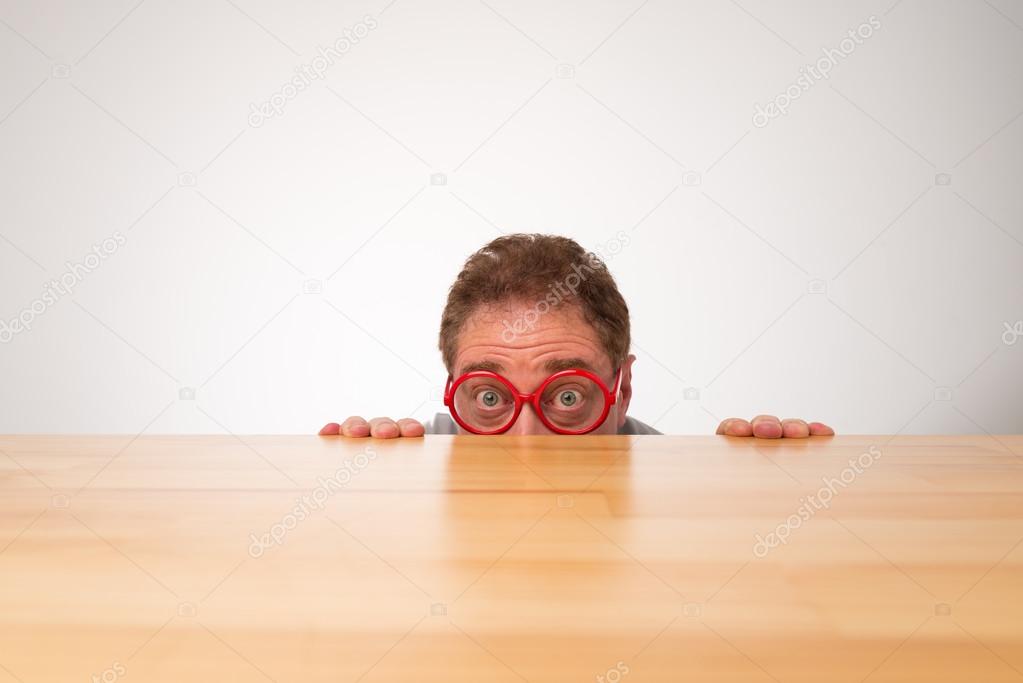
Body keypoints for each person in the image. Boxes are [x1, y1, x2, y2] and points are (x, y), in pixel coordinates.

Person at [319, 234, 833, 439]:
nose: (527, 444)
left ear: (621, 391)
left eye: (567, 395)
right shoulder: (408, 469)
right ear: (452, 389)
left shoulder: (677, 489)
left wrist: (770, 497)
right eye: (490, 397)